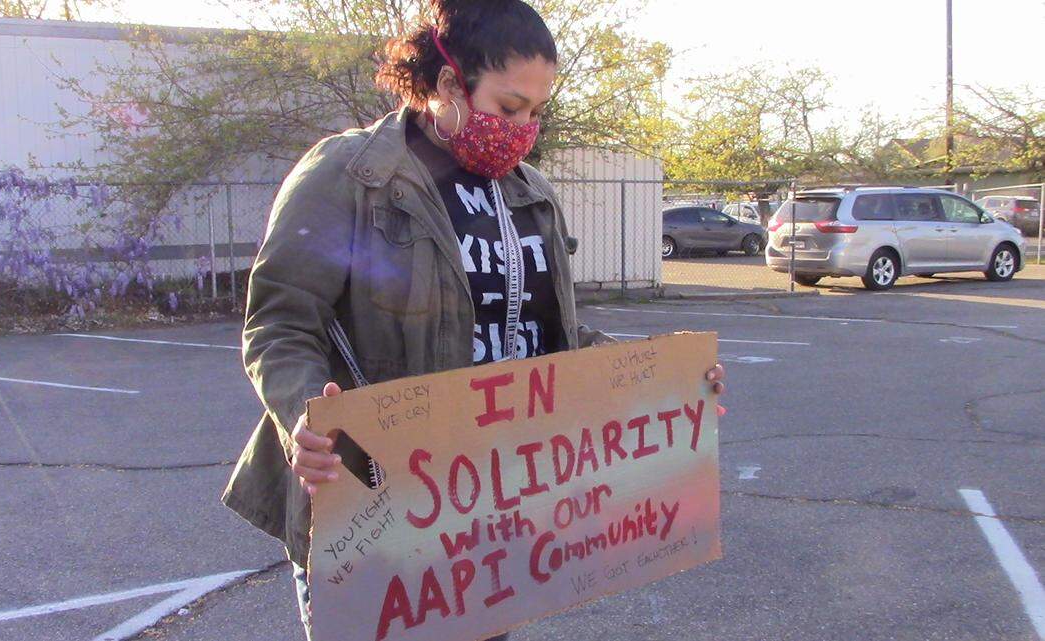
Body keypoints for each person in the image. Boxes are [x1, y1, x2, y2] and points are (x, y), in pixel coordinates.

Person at [221, 1, 727, 639]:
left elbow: (554, 342)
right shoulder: (350, 175)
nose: (523, 128)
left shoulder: (530, 193)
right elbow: (279, 324)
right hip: (372, 499)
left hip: (492, 512)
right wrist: (305, 417)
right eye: (509, 107)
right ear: (446, 84)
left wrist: (666, 379)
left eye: (537, 112)